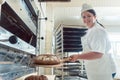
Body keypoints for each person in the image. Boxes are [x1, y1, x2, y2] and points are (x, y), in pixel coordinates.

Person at [69, 3, 116, 80]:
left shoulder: (97, 31)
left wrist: (78, 56)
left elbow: (98, 54)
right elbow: (90, 49)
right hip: (97, 69)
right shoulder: (91, 31)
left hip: (103, 70)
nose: (86, 19)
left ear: (95, 16)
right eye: (84, 17)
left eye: (89, 16)